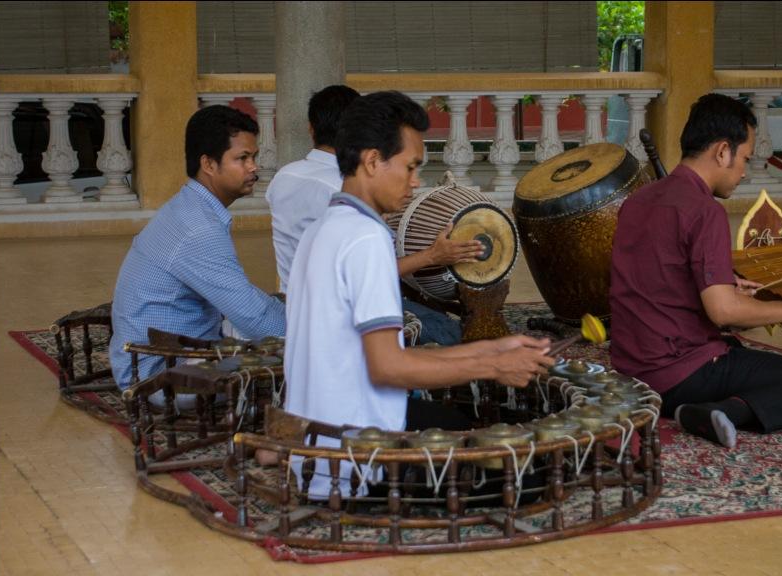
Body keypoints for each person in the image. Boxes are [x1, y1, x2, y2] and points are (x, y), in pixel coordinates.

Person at [283, 91, 553, 497]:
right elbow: (388, 368)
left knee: (457, 424)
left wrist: (494, 350)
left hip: (318, 451)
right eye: (410, 167)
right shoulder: (365, 238)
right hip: (359, 470)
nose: (415, 182)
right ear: (373, 161)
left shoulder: (321, 230)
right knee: (531, 476)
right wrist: (493, 369)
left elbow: (374, 359)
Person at [609, 93, 782, 449]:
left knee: (740, 351)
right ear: (723, 151)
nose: (743, 172)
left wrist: (728, 287)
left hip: (632, 375)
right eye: (745, 159)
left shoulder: (638, 200)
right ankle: (719, 412)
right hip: (681, 376)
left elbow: (660, 280)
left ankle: (705, 407)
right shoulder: (705, 211)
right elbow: (724, 312)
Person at [266, 84, 479, 345]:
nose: (414, 182)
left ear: (312, 128)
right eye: (410, 168)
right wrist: (433, 255)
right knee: (453, 333)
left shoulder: (282, 178)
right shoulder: (355, 211)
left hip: (296, 304)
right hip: (344, 315)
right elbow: (384, 364)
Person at [109, 105, 286, 390]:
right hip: (159, 374)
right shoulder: (199, 229)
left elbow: (242, 296)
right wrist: (309, 335)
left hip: (155, 356)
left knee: (266, 314)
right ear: (209, 164)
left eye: (253, 157)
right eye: (242, 158)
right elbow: (254, 317)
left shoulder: (190, 207)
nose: (254, 167)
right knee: (296, 359)